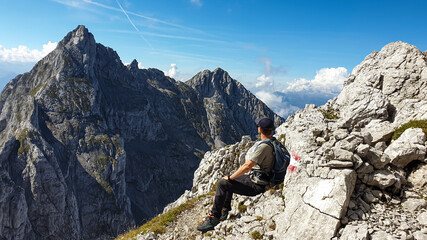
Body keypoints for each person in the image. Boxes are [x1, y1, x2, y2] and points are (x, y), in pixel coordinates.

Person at [197, 117, 275, 232]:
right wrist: (231, 177)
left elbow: (247, 166)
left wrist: (230, 177)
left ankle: (214, 217)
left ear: (260, 129)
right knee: (230, 180)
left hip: (257, 186)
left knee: (223, 183)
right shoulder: (272, 141)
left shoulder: (263, 147)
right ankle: (224, 210)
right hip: (260, 178)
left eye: (258, 126)